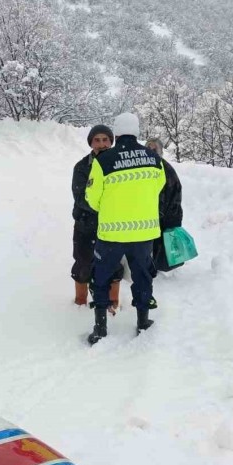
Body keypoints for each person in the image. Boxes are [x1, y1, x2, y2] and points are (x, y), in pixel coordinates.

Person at [83, 112, 166, 345]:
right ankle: (142, 322)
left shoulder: (103, 161)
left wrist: (112, 208)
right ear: (137, 131)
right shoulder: (153, 157)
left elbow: (92, 198)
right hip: (144, 233)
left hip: (111, 233)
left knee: (101, 278)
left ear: (116, 133)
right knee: (142, 276)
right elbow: (158, 187)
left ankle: (100, 329)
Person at [71, 125, 123, 309]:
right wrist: (105, 207)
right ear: (91, 143)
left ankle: (113, 303)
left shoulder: (120, 164)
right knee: (83, 262)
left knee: (113, 265)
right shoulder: (82, 167)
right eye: (97, 140)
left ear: (111, 141)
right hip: (85, 224)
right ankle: (80, 302)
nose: (101, 144)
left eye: (105, 140)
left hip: (113, 225)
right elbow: (80, 197)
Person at [145, 138, 183, 280]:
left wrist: (170, 215)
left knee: (161, 244)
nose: (151, 151)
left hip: (164, 214)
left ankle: (157, 267)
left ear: (160, 151)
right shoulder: (141, 168)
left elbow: (175, 193)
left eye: (154, 149)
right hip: (145, 215)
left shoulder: (166, 169)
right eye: (148, 147)